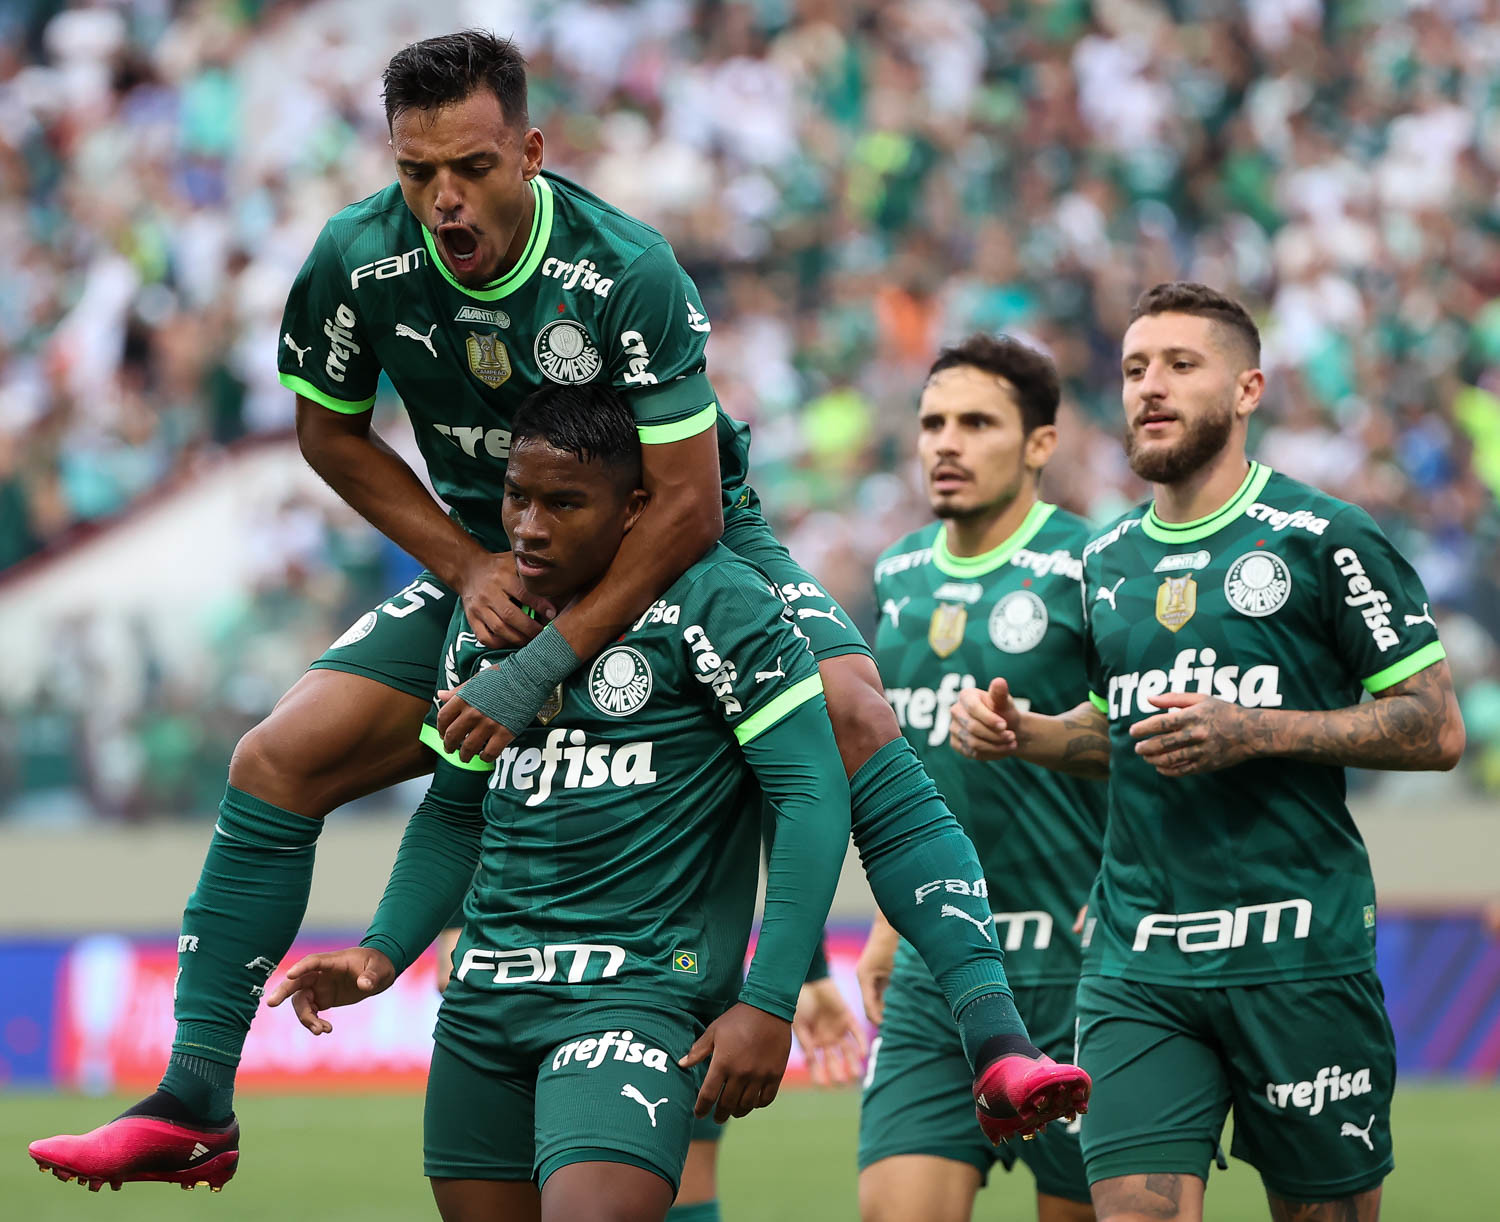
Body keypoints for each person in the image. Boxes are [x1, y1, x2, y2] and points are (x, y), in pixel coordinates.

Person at [31, 29, 1084, 1192]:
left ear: (530, 151)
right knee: (276, 756)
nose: (443, 198)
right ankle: (194, 1098)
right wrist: (466, 564)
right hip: (504, 552)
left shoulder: (622, 267)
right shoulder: (357, 260)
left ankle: (997, 1044)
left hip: (687, 540)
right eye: (416, 171)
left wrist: (544, 665)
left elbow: (684, 506)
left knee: (851, 712)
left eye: (473, 168)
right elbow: (326, 431)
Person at [267, 381, 850, 1222]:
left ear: (634, 506)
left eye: (564, 502)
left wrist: (769, 998)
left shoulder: (717, 600)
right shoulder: (487, 618)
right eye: (517, 497)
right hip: (484, 1009)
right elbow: (455, 813)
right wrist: (383, 950)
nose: (529, 526)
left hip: (636, 996)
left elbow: (810, 791)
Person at [948, 283, 1467, 1222]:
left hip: (1298, 956)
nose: (1150, 386)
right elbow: (1128, 736)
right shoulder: (1104, 561)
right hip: (1136, 964)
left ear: (1248, 391)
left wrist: (1257, 729)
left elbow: (1435, 726)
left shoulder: (1326, 539)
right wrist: (1029, 733)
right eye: (1136, 368)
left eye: (1182, 365)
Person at [856, 335, 1105, 1222]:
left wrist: (1036, 736)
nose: (945, 443)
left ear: (1039, 444)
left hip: (1083, 968)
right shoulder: (899, 572)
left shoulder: (1095, 566)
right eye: (932, 423)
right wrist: (892, 924)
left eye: (976, 423)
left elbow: (1150, 737)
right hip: (945, 963)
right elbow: (906, 772)